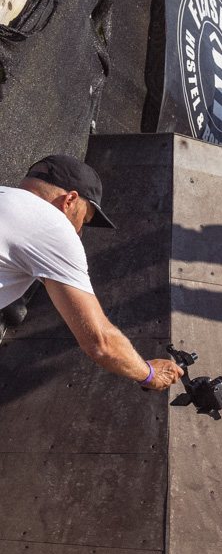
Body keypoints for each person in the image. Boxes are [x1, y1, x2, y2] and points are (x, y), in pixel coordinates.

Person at [0, 155, 181, 394]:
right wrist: (150, 374)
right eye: (83, 220)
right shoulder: (54, 227)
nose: (79, 233)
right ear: (70, 200)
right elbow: (101, 343)